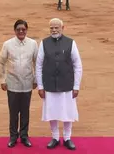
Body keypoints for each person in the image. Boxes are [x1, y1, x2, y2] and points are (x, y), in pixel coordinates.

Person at [36, 18, 83, 150]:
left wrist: (76, 86)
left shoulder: (71, 43)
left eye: (56, 27)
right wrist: (40, 86)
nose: (54, 30)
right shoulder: (44, 43)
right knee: (52, 111)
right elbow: (38, 65)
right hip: (49, 84)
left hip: (67, 84)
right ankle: (55, 137)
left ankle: (67, 138)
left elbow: (77, 65)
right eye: (51, 28)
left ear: (63, 27)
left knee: (67, 112)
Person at [0, 19, 38, 148]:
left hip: (27, 83)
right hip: (12, 83)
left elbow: (37, 62)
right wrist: (2, 80)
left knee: (25, 112)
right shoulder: (8, 44)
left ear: (26, 30)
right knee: (13, 112)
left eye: (23, 29)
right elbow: (1, 62)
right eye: (18, 29)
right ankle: (13, 137)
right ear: (15, 30)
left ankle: (24, 136)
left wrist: (36, 79)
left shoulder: (33, 44)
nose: (21, 31)